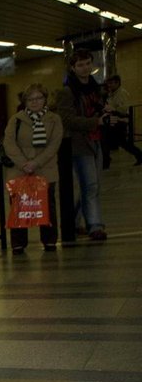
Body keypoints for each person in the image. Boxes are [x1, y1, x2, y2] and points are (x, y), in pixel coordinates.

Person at [55, 50, 112, 241]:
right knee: (90, 185)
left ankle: (73, 221)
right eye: (80, 65)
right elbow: (67, 119)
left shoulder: (96, 89)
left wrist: (106, 111)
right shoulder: (67, 91)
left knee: (91, 187)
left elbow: (97, 110)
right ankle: (95, 225)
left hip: (96, 141)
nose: (85, 68)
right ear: (72, 68)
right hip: (78, 143)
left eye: (88, 63)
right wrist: (95, 122)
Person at [3, 84, 62, 254]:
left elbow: (54, 144)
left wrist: (36, 163)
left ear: (45, 99)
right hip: (19, 170)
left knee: (47, 207)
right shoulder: (16, 120)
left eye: (39, 98)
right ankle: (18, 243)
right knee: (20, 207)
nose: (35, 102)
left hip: (45, 169)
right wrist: (24, 163)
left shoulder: (54, 119)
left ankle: (49, 240)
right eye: (30, 99)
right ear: (25, 101)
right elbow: (9, 143)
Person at [101, 75, 142, 168]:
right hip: (115, 121)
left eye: (111, 83)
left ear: (117, 83)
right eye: (108, 83)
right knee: (119, 142)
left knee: (119, 142)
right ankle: (139, 155)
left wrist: (112, 109)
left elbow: (123, 109)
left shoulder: (121, 93)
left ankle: (106, 160)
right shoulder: (113, 93)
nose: (109, 85)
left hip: (119, 121)